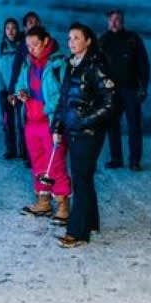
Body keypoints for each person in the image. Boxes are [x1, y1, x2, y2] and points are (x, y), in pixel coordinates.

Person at [51, 23, 117, 248]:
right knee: (84, 177)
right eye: (69, 38)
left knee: (80, 178)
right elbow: (64, 100)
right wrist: (58, 127)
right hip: (72, 129)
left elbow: (110, 103)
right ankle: (90, 222)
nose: (71, 42)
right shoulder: (71, 65)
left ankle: (77, 232)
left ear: (88, 41)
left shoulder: (95, 65)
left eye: (76, 38)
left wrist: (84, 121)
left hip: (89, 132)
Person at [15, 26, 71, 225]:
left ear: (46, 41)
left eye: (35, 44)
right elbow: (20, 83)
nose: (31, 49)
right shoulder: (28, 63)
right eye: (28, 45)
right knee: (38, 161)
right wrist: (21, 92)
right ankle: (43, 200)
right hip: (31, 120)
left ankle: (63, 203)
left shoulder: (59, 64)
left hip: (50, 121)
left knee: (54, 163)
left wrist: (49, 109)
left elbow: (65, 93)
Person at [100, 9, 151, 171]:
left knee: (134, 125)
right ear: (108, 22)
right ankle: (116, 158)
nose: (114, 22)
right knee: (112, 125)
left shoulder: (133, 39)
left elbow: (144, 64)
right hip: (111, 91)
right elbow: (97, 66)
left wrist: (143, 87)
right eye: (112, 20)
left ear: (123, 22)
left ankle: (135, 160)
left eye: (118, 19)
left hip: (131, 88)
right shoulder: (103, 40)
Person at [6, 11, 42, 163]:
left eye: (34, 22)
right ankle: (27, 154)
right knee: (24, 123)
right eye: (29, 23)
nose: (32, 25)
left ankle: (40, 153)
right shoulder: (22, 46)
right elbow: (16, 69)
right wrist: (12, 90)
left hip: (42, 91)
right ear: (25, 27)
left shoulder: (48, 42)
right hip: (25, 90)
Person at [0, 18, 23, 160]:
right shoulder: (1, 48)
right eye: (8, 28)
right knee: (7, 121)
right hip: (5, 91)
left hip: (20, 90)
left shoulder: (22, 47)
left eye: (13, 28)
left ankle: (24, 151)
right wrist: (1, 90)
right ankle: (10, 149)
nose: (11, 31)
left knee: (22, 121)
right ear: (4, 31)